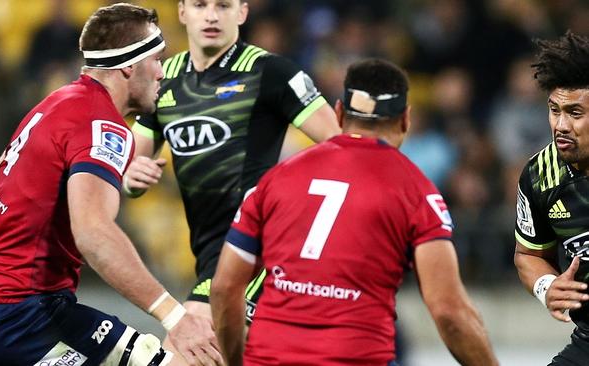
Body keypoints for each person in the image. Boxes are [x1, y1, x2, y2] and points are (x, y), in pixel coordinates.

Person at [0, 3, 222, 366]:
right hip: (25, 320)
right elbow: (93, 233)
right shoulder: (102, 125)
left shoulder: (53, 103)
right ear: (128, 66)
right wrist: (175, 317)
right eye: (156, 60)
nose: (161, 74)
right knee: (189, 359)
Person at [210, 58, 499, 365]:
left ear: (338, 112)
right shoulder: (417, 192)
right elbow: (449, 311)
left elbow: (225, 287)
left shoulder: (276, 178)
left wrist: (235, 361)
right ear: (405, 120)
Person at [123, 0, 340, 353]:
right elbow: (128, 167)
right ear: (182, 13)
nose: (211, 15)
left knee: (184, 353)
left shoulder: (272, 73)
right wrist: (131, 178)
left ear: (241, 13)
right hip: (211, 254)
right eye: (200, 5)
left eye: (223, 5)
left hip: (261, 250)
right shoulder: (164, 80)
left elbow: (343, 149)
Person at [514, 31, 589, 365]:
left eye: (575, 113)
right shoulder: (540, 175)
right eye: (554, 110)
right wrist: (547, 286)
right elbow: (528, 254)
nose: (560, 125)